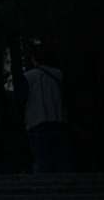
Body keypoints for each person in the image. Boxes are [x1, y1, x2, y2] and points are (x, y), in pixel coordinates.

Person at [20, 45, 72, 173]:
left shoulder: (28, 77)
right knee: (62, 159)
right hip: (58, 117)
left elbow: (23, 99)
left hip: (36, 120)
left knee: (40, 160)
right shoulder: (59, 74)